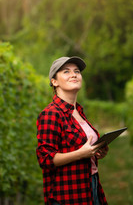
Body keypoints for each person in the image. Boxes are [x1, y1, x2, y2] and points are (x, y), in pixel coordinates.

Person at [36, 56, 109, 205]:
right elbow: (45, 159)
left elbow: (81, 146)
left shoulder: (78, 111)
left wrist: (97, 152)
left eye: (77, 71)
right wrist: (81, 154)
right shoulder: (51, 113)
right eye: (66, 71)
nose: (74, 74)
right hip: (67, 195)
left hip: (90, 185)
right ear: (54, 82)